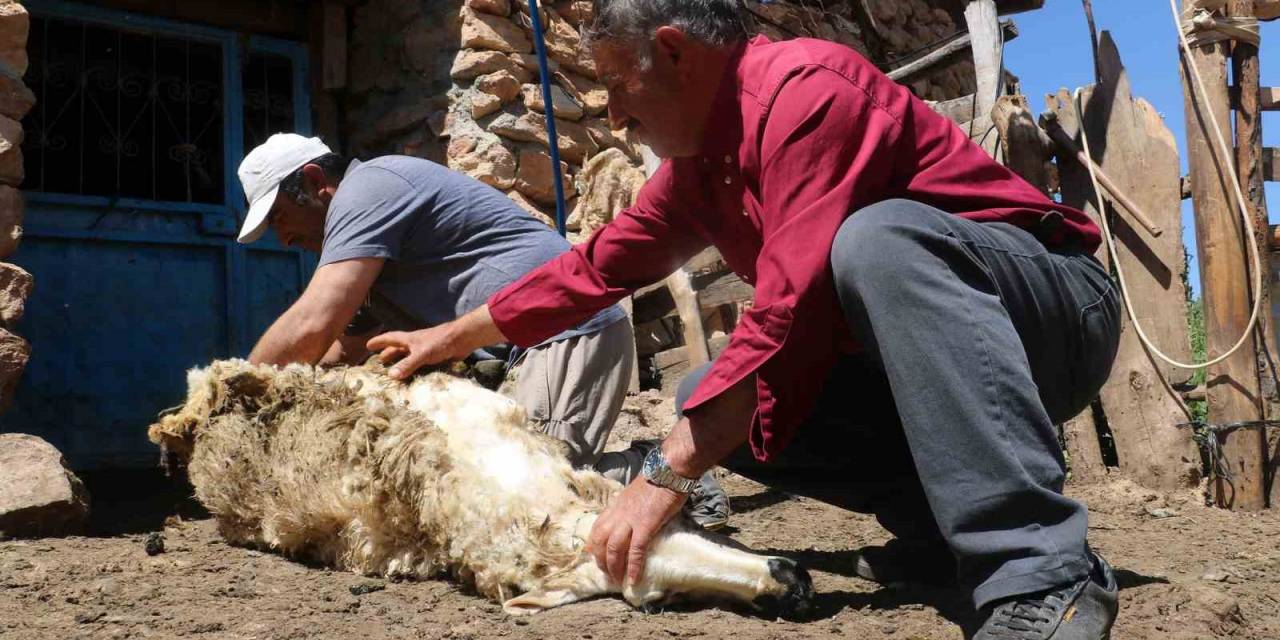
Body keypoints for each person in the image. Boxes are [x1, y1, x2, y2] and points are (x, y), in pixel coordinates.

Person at [361, 2, 1122, 638]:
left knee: (878, 241)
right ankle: (936, 539)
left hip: (1051, 316)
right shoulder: (701, 165)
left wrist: (665, 475)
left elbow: (787, 309)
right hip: (922, 363)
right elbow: (595, 267)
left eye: (617, 87)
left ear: (672, 51)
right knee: (711, 392)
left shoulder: (807, 91)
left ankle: (1039, 571)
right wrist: (450, 337)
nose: (617, 119)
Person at [233, 133, 730, 530]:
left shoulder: (369, 190)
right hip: (526, 349)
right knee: (466, 484)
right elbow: (340, 345)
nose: (283, 238)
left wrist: (231, 399)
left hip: (566, 331)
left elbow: (315, 322)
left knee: (527, 489)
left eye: (279, 216)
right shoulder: (364, 238)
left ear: (316, 179)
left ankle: (664, 470)